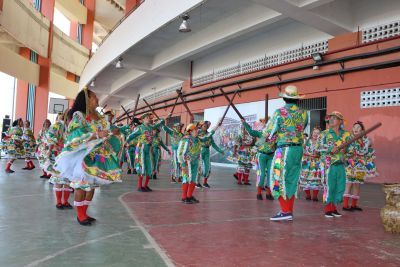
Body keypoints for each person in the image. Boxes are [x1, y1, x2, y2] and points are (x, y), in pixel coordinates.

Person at [54, 88, 122, 226]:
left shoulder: (99, 116)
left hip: (98, 155)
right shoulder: (79, 115)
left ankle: (84, 212)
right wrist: (96, 135)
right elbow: (75, 133)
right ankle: (80, 215)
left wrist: (114, 130)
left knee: (91, 186)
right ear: (87, 99)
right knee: (82, 185)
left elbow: (108, 128)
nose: (97, 99)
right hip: (83, 155)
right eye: (94, 97)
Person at [265, 85, 308, 221]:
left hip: (284, 149)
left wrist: (262, 138)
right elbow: (303, 127)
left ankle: (284, 211)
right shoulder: (303, 113)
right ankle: (288, 211)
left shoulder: (279, 112)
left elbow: (269, 132)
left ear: (284, 98)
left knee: (278, 178)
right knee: (292, 180)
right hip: (298, 149)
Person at [317, 111, 352, 218]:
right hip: (328, 164)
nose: (331, 120)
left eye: (334, 118)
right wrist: (329, 148)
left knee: (340, 187)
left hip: (341, 164)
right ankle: (328, 209)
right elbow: (317, 147)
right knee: (329, 186)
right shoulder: (324, 134)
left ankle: (334, 208)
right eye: (330, 118)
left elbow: (351, 149)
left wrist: (346, 149)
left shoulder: (347, 134)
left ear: (340, 121)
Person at [178, 123, 217, 203]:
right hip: (186, 163)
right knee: (186, 179)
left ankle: (189, 196)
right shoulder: (185, 139)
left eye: (196, 130)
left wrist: (216, 127)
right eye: (195, 130)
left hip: (195, 161)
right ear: (190, 131)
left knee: (194, 178)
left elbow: (207, 136)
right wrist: (182, 164)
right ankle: (184, 197)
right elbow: (180, 153)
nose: (197, 131)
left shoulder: (198, 139)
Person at [343, 121, 377, 212]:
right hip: (350, 163)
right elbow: (345, 150)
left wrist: (369, 144)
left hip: (360, 164)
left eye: (358, 128)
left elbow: (368, 151)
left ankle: (354, 205)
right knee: (349, 183)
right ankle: (345, 205)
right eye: (354, 127)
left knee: (357, 183)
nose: (355, 129)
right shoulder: (349, 138)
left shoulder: (364, 139)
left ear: (362, 130)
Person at [126, 113, 165, 192]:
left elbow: (159, 124)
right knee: (142, 166)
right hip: (141, 148)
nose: (148, 119)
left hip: (148, 148)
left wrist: (164, 119)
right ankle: (140, 186)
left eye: (149, 118)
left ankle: (146, 185)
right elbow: (131, 136)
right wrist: (126, 142)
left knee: (149, 166)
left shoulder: (151, 127)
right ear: (142, 120)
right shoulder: (140, 128)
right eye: (146, 117)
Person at [242, 118, 276, 200]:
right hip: (261, 156)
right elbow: (250, 132)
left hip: (271, 156)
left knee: (270, 175)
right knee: (262, 174)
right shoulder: (261, 134)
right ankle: (259, 193)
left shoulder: (275, 135)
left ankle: (268, 194)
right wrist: (244, 123)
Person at [46, 111, 73, 209]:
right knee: (58, 179)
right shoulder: (57, 125)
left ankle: (65, 201)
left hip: (69, 156)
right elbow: (49, 136)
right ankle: (58, 202)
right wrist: (53, 147)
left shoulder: (72, 126)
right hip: (58, 155)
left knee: (67, 180)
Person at [196, 121, 224, 189]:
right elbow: (204, 138)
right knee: (199, 166)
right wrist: (217, 126)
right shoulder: (198, 132)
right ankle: (197, 182)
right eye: (205, 126)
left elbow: (213, 144)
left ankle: (205, 182)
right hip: (200, 150)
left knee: (208, 167)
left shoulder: (209, 134)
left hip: (207, 150)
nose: (206, 127)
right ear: (201, 126)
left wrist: (220, 150)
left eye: (207, 126)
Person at [299, 126, 324, 201]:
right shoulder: (307, 141)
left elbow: (323, 153)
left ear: (320, 135)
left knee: (316, 179)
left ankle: (315, 196)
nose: (316, 134)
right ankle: (308, 194)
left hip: (316, 162)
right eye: (314, 132)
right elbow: (302, 150)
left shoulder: (321, 143)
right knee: (306, 178)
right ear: (312, 133)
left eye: (318, 133)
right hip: (307, 162)